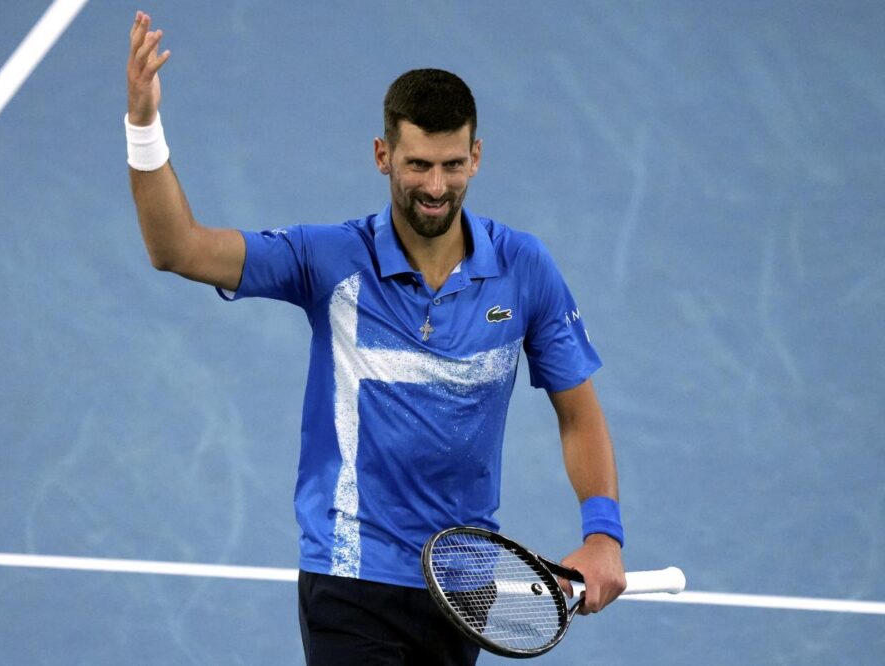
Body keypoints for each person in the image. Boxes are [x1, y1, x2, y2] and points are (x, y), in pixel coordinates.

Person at [126, 10, 626, 665]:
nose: (436, 187)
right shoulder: (329, 260)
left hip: (464, 583)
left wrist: (603, 533)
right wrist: (143, 125)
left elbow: (577, 412)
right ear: (382, 154)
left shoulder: (524, 269)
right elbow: (178, 248)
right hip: (350, 576)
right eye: (418, 165)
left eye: (452, 165)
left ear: (476, 157)